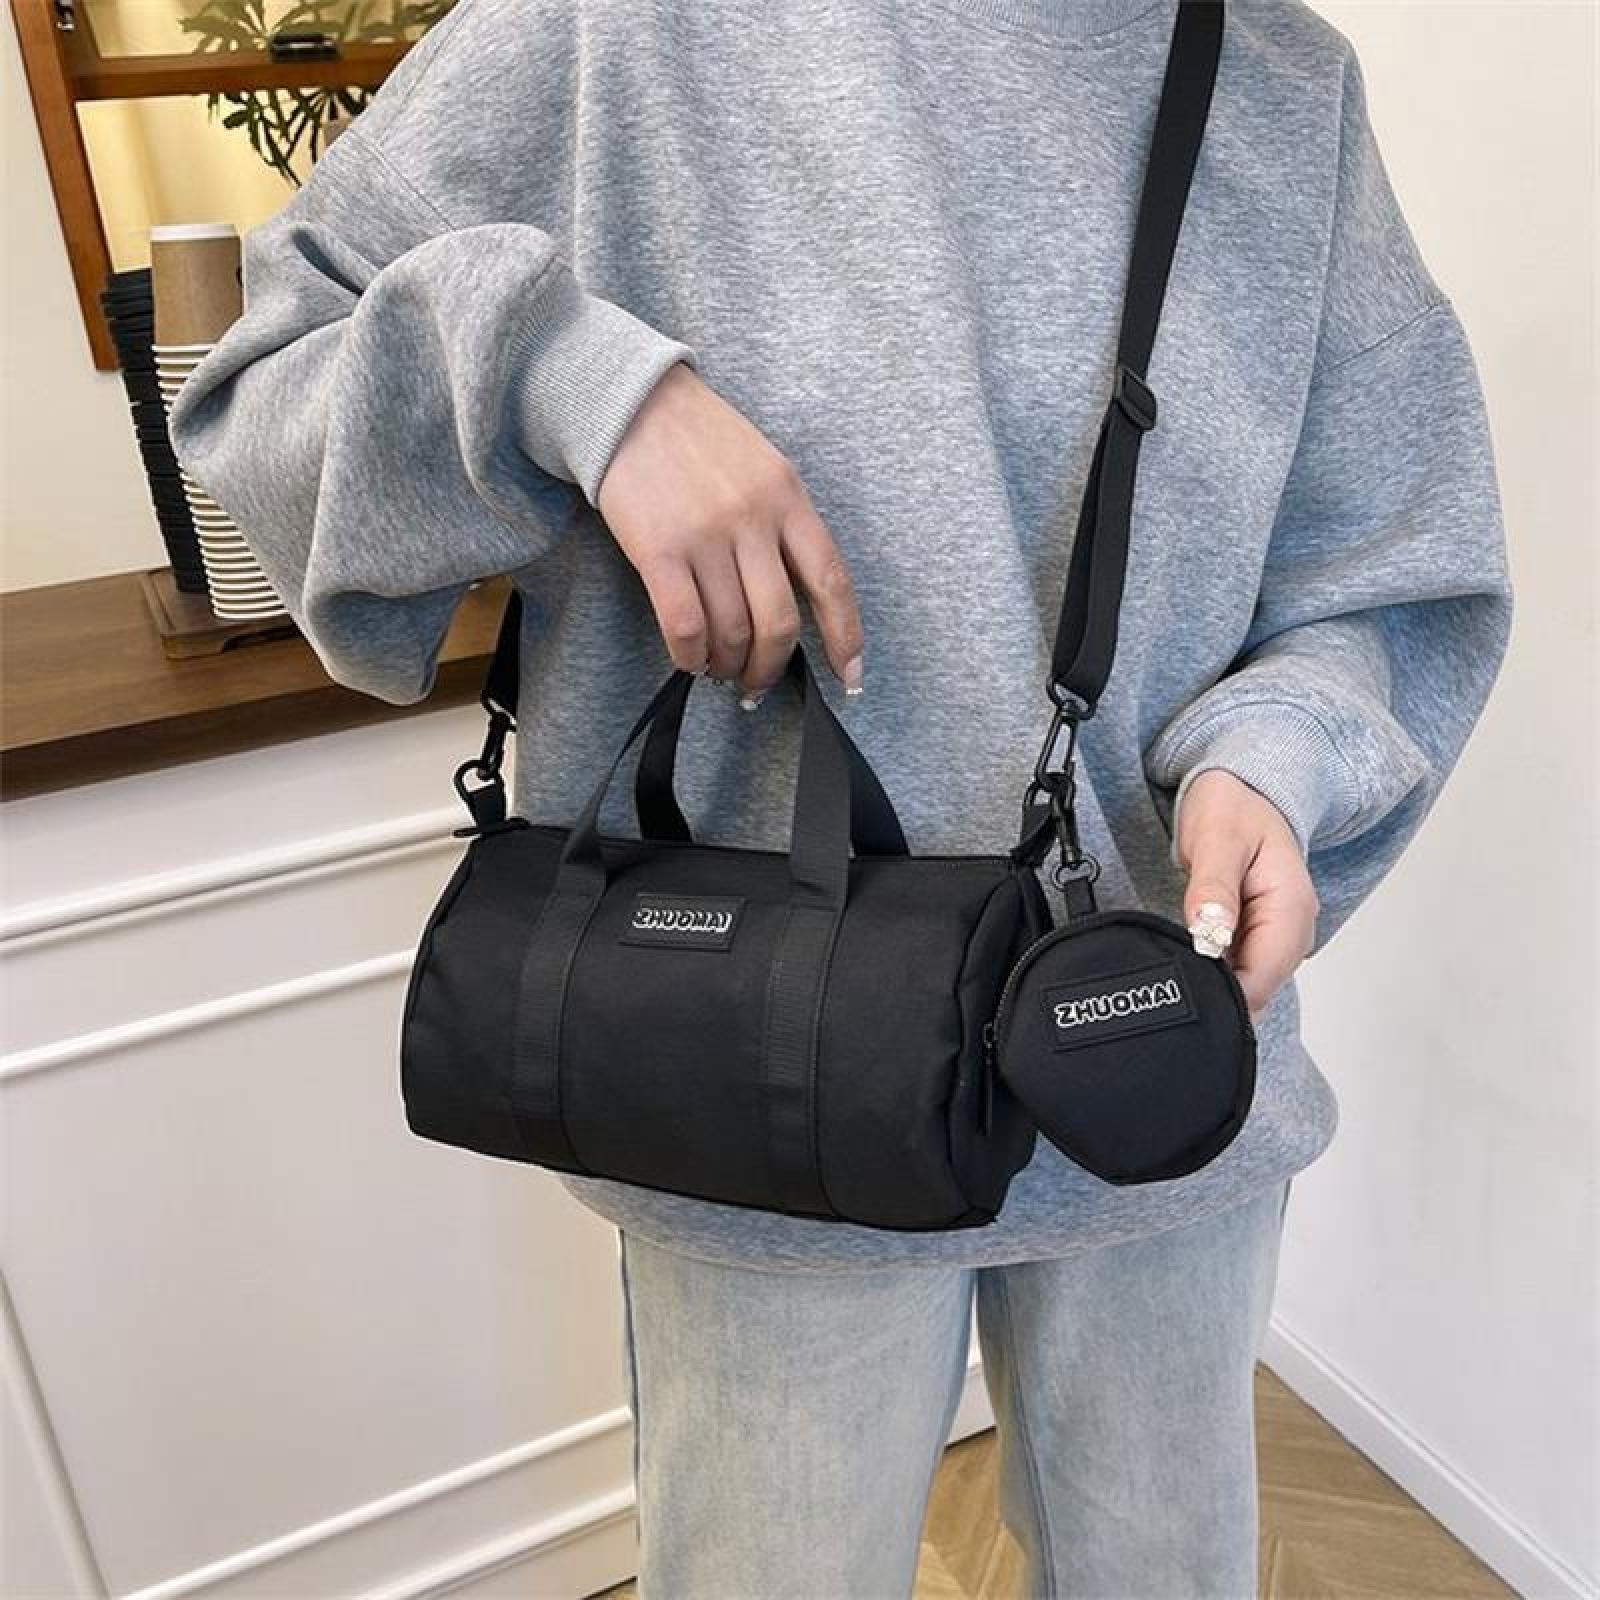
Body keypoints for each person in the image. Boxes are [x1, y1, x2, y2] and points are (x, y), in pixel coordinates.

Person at [167, 0, 1514, 1593]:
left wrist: (1271, 753)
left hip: (1148, 1046)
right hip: (764, 1086)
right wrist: (571, 380)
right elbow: (257, 405)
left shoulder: (1278, 82)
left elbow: (1389, 564)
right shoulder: (618, 31)